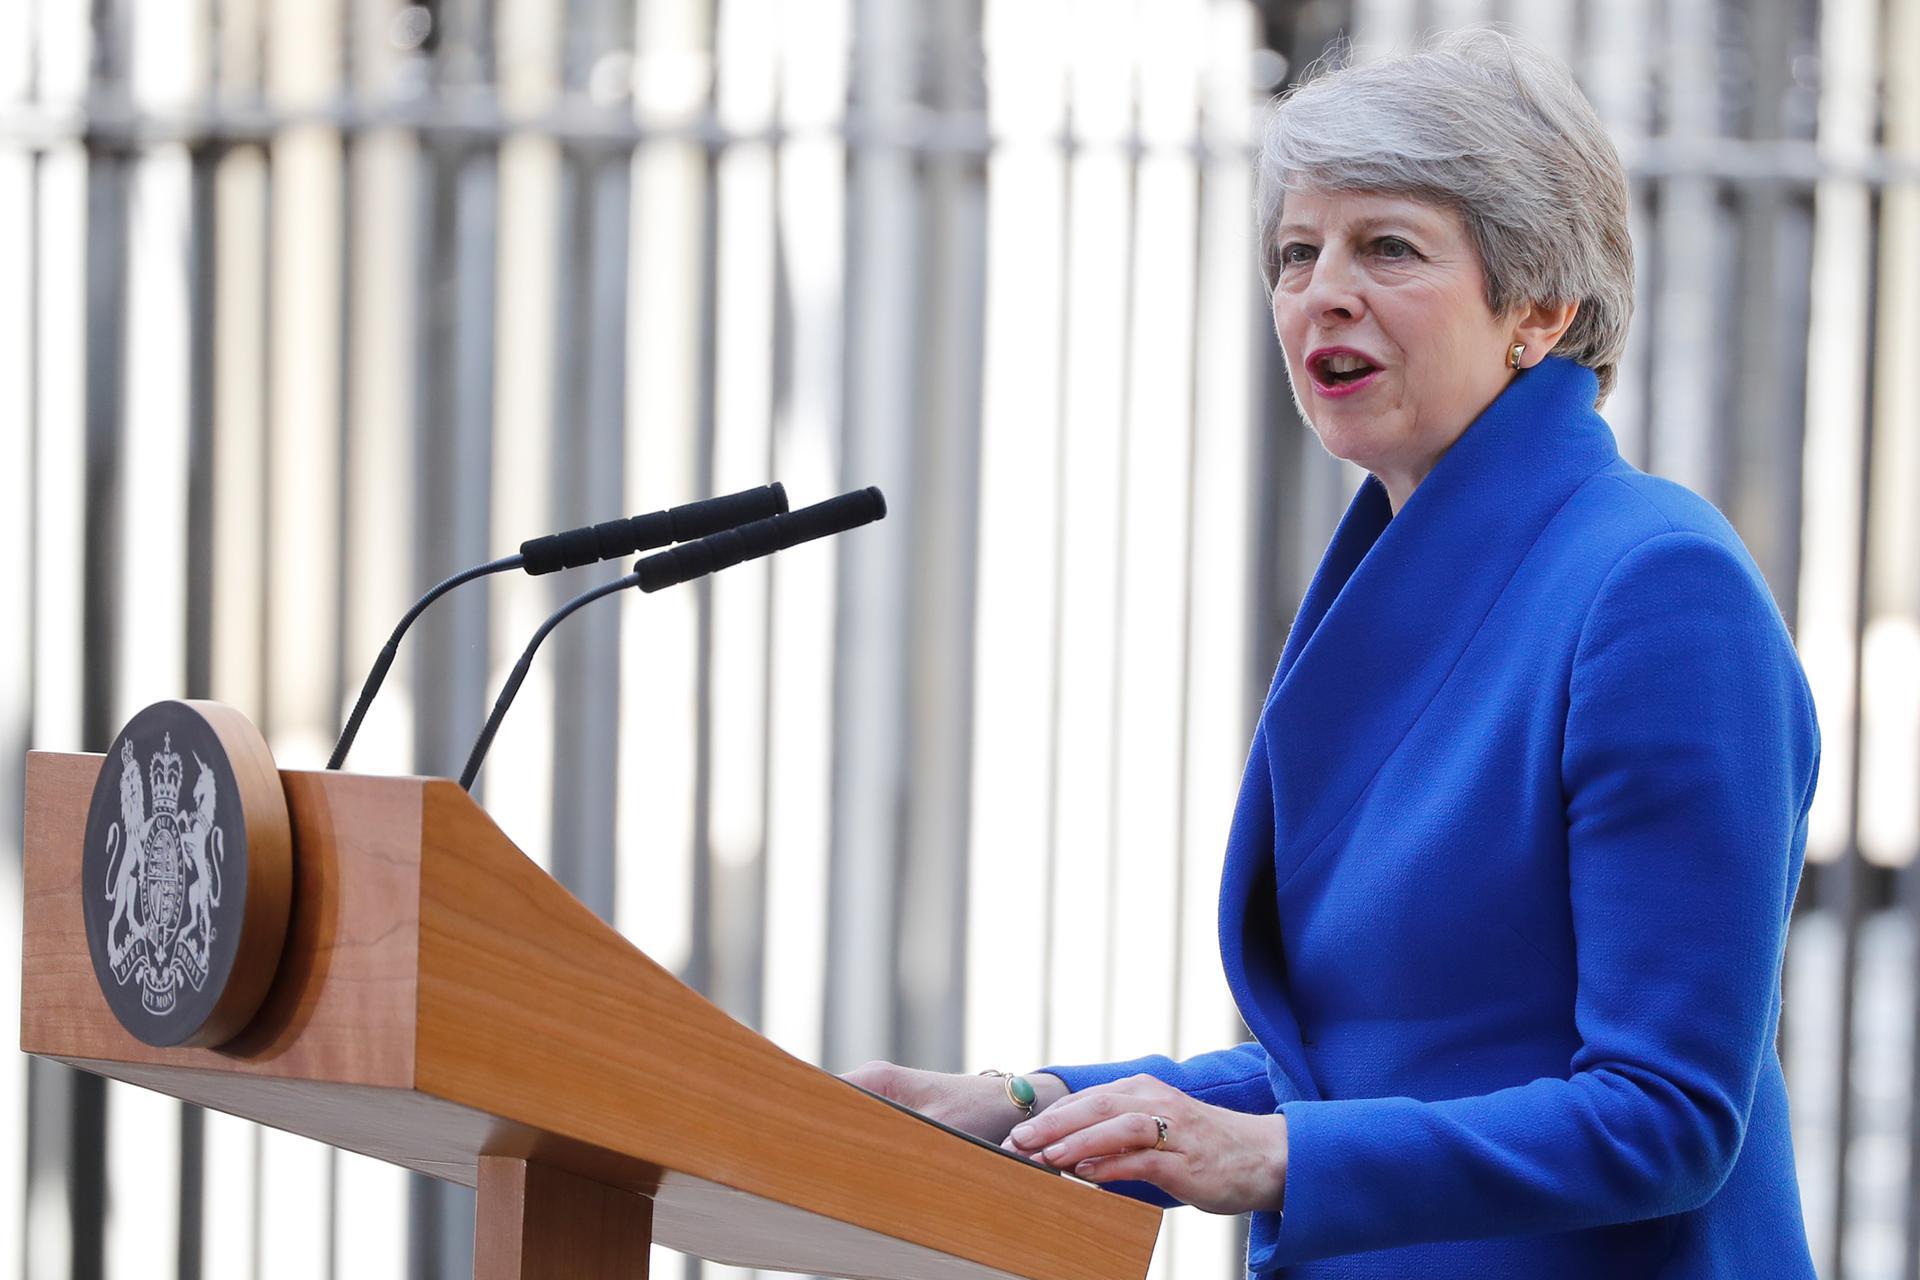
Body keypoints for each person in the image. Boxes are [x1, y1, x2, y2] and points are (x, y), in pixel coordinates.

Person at [846, 26, 1820, 1277]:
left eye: (1388, 248)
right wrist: (1027, 1097)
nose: (1321, 292)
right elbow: (1378, 1059)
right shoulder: (1405, 574)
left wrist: (1279, 1158)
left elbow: (1669, 1112)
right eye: (1296, 253)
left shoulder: (1656, 588)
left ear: (1539, 304)